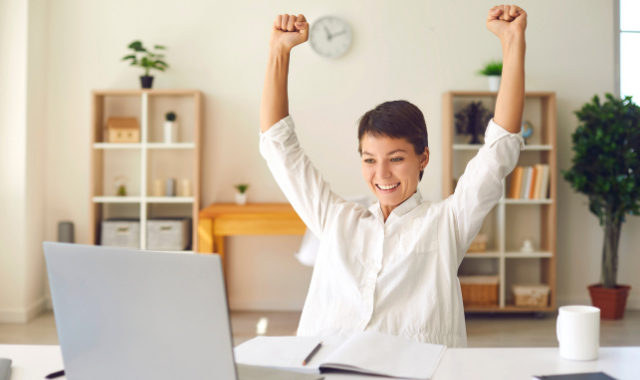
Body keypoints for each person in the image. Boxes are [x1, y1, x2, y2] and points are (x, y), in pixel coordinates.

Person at [259, 5, 527, 347]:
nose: (381, 173)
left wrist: (513, 41)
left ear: (422, 158)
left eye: (396, 158)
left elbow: (500, 148)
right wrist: (278, 51)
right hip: (327, 368)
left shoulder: (447, 222)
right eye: (369, 159)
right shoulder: (336, 219)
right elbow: (278, 147)